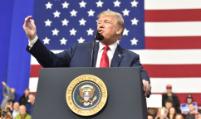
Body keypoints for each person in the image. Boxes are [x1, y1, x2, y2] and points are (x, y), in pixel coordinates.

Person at [22, 10, 151, 96]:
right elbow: (52, 62)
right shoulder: (79, 49)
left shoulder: (130, 57)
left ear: (119, 30)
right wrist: (33, 38)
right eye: (98, 22)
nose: (100, 25)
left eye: (106, 22)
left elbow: (140, 74)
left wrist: (143, 81)